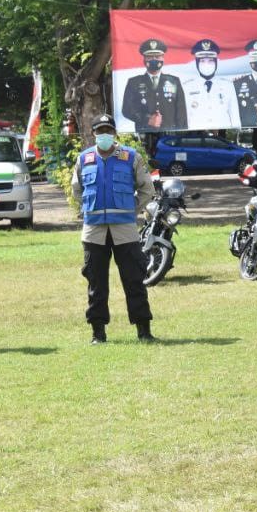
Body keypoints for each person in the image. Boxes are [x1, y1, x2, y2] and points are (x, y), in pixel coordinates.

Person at [70, 114, 157, 344]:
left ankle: (144, 331)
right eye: (100, 131)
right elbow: (76, 191)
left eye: (108, 130)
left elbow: (147, 189)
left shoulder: (131, 157)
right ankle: (98, 333)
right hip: (94, 231)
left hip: (125, 229)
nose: (104, 135)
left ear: (114, 133)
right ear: (94, 134)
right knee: (96, 283)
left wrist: (130, 208)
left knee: (134, 280)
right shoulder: (84, 159)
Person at [121, 38, 187, 132]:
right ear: (144, 59)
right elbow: (127, 109)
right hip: (145, 134)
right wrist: (147, 119)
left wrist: (182, 133)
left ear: (163, 58)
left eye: (157, 56)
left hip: (170, 133)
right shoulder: (134, 82)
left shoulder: (174, 81)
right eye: (150, 56)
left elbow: (181, 112)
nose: (154, 59)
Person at [182, 38, 239, 129]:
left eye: (210, 61)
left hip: (222, 137)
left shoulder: (228, 85)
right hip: (197, 136)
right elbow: (185, 119)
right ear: (197, 63)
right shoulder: (187, 87)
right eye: (202, 61)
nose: (207, 64)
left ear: (216, 62)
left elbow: (235, 116)